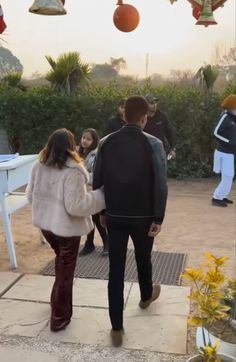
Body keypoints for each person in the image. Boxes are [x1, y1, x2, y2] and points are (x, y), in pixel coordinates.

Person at [93, 96, 168, 347]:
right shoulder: (154, 144)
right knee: (143, 257)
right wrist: (158, 216)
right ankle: (146, 296)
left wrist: (101, 213)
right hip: (144, 216)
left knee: (116, 270)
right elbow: (160, 183)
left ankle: (116, 327)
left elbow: (98, 180)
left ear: (124, 115)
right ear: (145, 118)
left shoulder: (105, 142)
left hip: (114, 215)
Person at [26, 128, 105, 332]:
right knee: (66, 272)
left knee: (61, 265)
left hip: (46, 226)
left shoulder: (39, 165)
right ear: (71, 146)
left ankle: (56, 303)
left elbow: (29, 197)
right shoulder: (73, 171)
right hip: (66, 230)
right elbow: (76, 206)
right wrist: (100, 196)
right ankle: (59, 318)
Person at [77, 128, 108, 256]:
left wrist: (81, 175)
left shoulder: (95, 155)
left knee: (95, 218)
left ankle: (107, 243)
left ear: (94, 141)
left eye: (89, 139)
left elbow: (96, 175)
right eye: (83, 137)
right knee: (87, 218)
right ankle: (89, 244)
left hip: (93, 191)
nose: (85, 141)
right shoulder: (78, 153)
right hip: (82, 192)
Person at [212, 94, 236, 207]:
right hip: (223, 152)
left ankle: (222, 196)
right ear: (232, 107)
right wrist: (229, 142)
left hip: (230, 153)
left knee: (229, 175)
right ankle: (216, 197)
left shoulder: (233, 118)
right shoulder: (225, 117)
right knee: (227, 175)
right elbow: (216, 132)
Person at [143, 94, 176, 158]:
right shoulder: (141, 117)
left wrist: (172, 149)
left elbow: (169, 132)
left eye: (155, 103)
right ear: (145, 104)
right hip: (145, 152)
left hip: (160, 152)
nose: (154, 105)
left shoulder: (161, 116)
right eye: (151, 103)